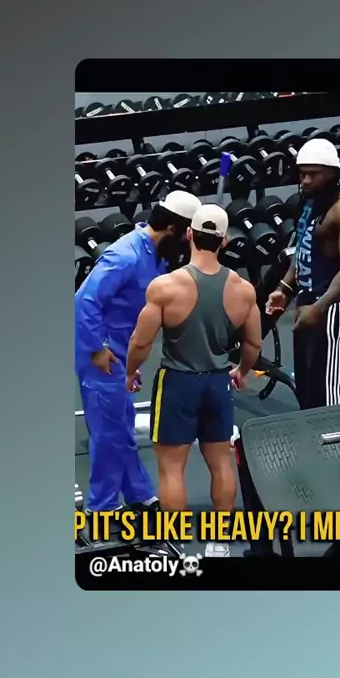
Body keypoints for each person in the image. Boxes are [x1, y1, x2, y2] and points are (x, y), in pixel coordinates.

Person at [126, 204, 262, 557]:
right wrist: (241, 371)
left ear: (189, 234)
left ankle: (175, 545)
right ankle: (220, 544)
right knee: (221, 462)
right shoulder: (244, 290)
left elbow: (140, 342)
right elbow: (253, 344)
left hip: (178, 384)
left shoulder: (166, 287)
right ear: (225, 241)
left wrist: (130, 371)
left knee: (172, 469)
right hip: (217, 383)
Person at [75, 190, 202, 515]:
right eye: (187, 235)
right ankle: (101, 508)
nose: (188, 244)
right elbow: (84, 302)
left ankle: (138, 492)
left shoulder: (156, 253)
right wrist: (98, 350)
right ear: (173, 229)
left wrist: (131, 359)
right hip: (101, 354)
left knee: (122, 425)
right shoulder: (126, 256)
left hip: (120, 351)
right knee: (108, 433)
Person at [266, 138, 340, 410]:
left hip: (333, 305)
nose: (306, 181)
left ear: (332, 173)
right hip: (308, 300)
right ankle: (311, 432)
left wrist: (319, 307)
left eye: (314, 174)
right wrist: (284, 289)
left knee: (327, 386)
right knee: (307, 382)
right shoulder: (310, 202)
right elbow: (303, 248)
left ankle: (335, 437)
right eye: (302, 174)